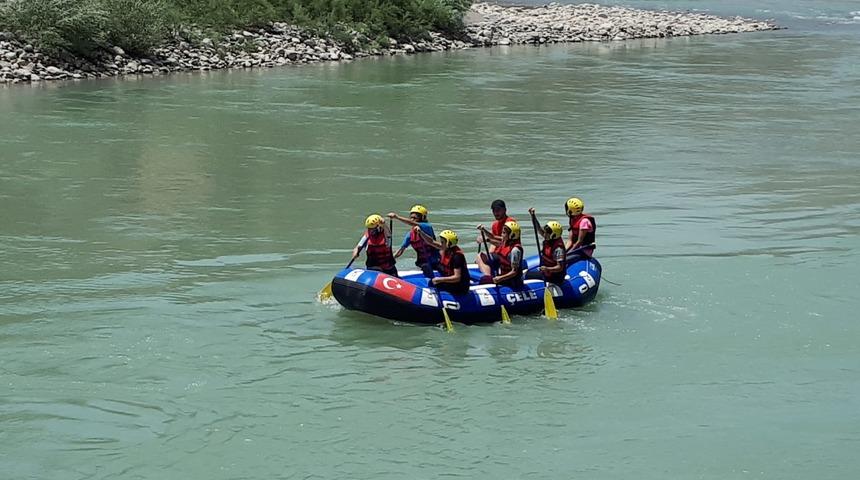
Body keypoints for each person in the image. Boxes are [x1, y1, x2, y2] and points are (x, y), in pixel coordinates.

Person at [413, 227, 471, 295]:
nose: (440, 243)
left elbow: (457, 278)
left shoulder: (457, 257)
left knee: (433, 283)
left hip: (460, 286)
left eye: (442, 242)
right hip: (450, 277)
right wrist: (420, 232)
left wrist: (439, 279)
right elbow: (431, 242)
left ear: (448, 244)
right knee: (428, 265)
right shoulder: (446, 248)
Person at [388, 205, 440, 278]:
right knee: (425, 266)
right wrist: (389, 259)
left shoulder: (427, 226)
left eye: (415, 218)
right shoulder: (410, 235)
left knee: (428, 266)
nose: (412, 219)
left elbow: (413, 223)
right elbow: (400, 250)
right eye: (411, 217)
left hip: (436, 261)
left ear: (423, 218)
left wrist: (397, 217)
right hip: (423, 263)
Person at [477, 220, 524, 288]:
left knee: (484, 280)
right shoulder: (506, 242)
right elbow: (494, 239)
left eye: (504, 233)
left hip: (512, 281)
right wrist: (484, 232)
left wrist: (500, 278)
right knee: (485, 279)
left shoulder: (515, 250)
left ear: (511, 235)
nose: (502, 235)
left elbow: (514, 272)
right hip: (503, 275)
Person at [527, 207, 567, 285]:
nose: (544, 234)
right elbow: (538, 229)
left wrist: (547, 269)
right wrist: (533, 216)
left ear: (553, 235)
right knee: (528, 273)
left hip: (555, 277)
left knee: (527, 276)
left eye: (546, 233)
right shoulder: (549, 238)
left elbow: (560, 267)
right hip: (547, 272)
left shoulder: (558, 249)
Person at [565, 197, 596, 261]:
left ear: (570, 211)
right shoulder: (573, 220)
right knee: (559, 258)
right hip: (576, 249)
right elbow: (570, 241)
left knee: (563, 260)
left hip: (584, 251)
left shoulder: (584, 222)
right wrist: (564, 252)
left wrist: (570, 252)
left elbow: (579, 241)